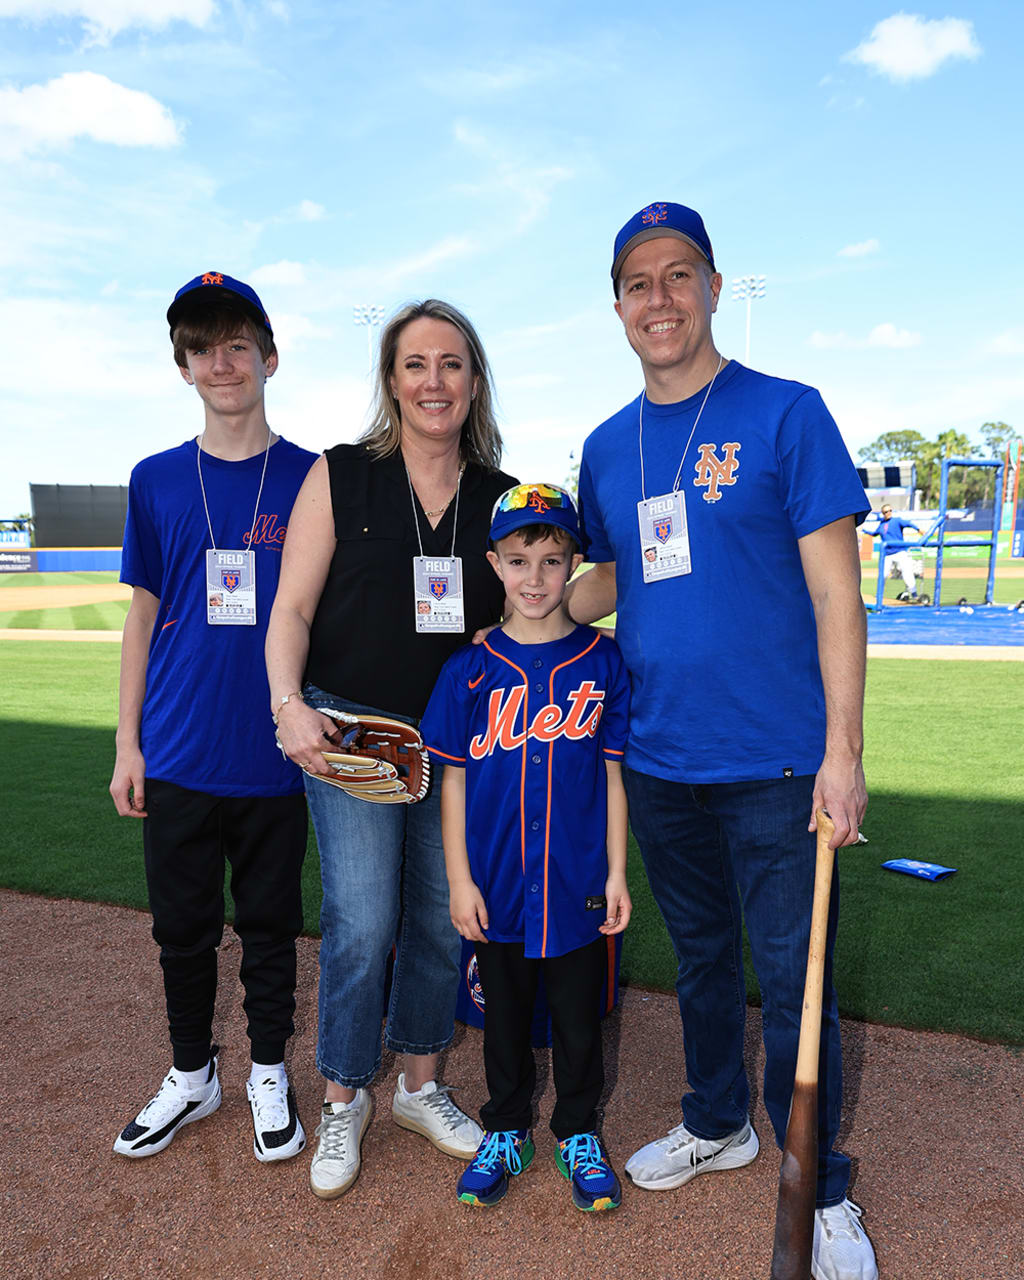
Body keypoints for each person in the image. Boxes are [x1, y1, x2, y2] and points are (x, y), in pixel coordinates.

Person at [571, 203, 878, 1280]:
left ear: (710, 284)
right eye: (637, 282)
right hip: (659, 756)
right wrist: (532, 596)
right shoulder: (607, 445)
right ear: (615, 305)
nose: (658, 298)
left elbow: (839, 594)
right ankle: (716, 1119)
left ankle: (819, 1181)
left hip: (781, 762)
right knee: (701, 958)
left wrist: (843, 750)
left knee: (797, 978)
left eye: (678, 275)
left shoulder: (787, 413)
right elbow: (612, 575)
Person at [266, 299, 518, 1200]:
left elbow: (550, 592)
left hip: (457, 744)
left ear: (474, 380)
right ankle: (343, 1096)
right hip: (354, 736)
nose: (434, 381)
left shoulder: (500, 496)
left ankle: (418, 1084)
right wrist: (288, 705)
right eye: (416, 365)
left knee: (440, 923)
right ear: (391, 381)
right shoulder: (341, 474)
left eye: (451, 364)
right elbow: (290, 609)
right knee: (363, 922)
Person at [110, 272, 317, 1165]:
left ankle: (268, 1068)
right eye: (203, 348)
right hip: (181, 748)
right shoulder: (155, 479)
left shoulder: (315, 478)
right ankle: (193, 1073)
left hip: (276, 753)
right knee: (181, 929)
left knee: (271, 926)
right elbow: (143, 617)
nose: (222, 362)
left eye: (239, 344)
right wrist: (127, 743)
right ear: (183, 365)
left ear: (269, 357)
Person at [421, 484, 631, 1212]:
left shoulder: (603, 663)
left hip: (576, 881)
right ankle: (505, 1127)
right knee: (502, 1019)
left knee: (579, 1022)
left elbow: (611, 778)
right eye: (518, 561)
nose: (535, 579)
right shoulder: (467, 671)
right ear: (493, 564)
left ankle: (577, 1131)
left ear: (574, 564)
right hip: (499, 882)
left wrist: (617, 873)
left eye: (551, 560)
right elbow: (450, 783)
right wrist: (458, 880)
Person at [873, 503, 923, 599]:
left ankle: (914, 594)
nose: (889, 513)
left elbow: (908, 523)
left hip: (900, 551)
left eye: (890, 510)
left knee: (907, 572)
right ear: (883, 513)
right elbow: (875, 533)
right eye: (886, 511)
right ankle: (879, 595)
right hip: (887, 554)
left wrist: (918, 529)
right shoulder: (881, 524)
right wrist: (864, 531)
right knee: (883, 575)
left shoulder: (897, 520)